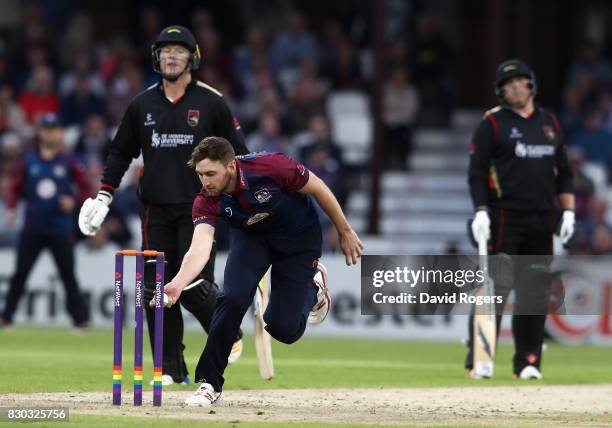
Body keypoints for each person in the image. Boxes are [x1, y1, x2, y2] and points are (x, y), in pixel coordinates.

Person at [77, 25, 248, 385]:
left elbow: (240, 155)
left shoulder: (212, 102)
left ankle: (229, 331)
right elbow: (121, 151)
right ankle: (170, 369)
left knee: (192, 284)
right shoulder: (142, 105)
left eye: (179, 51)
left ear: (193, 58)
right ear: (157, 58)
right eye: (166, 51)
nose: (172, 56)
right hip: (155, 208)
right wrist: (105, 194)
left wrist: (248, 200)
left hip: (201, 208)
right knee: (157, 290)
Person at [159, 136, 363, 406]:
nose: (205, 182)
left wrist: (344, 230)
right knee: (231, 299)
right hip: (252, 239)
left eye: (211, 174)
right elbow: (199, 248)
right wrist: (178, 282)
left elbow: (319, 188)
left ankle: (312, 288)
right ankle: (210, 383)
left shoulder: (271, 166)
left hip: (297, 238)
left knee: (285, 330)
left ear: (230, 166)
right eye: (200, 174)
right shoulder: (206, 200)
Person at [467, 59, 575, 379]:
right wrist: (480, 211)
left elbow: (564, 174)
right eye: (508, 82)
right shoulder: (493, 124)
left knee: (535, 292)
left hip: (542, 219)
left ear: (531, 85)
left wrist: (567, 211)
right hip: (503, 217)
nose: (515, 86)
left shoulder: (549, 122)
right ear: (501, 90)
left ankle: (528, 361)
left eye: (520, 81)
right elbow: (476, 173)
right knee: (495, 287)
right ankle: (480, 360)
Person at [1, 113, 90, 328]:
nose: (51, 133)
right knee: (21, 273)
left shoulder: (69, 161)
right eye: (47, 129)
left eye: (55, 129)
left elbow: (86, 190)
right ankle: (6, 316)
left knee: (67, 275)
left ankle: (81, 320)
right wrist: (12, 208)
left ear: (60, 133)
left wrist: (73, 201)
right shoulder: (29, 160)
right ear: (40, 132)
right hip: (33, 227)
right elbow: (15, 188)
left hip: (60, 229)